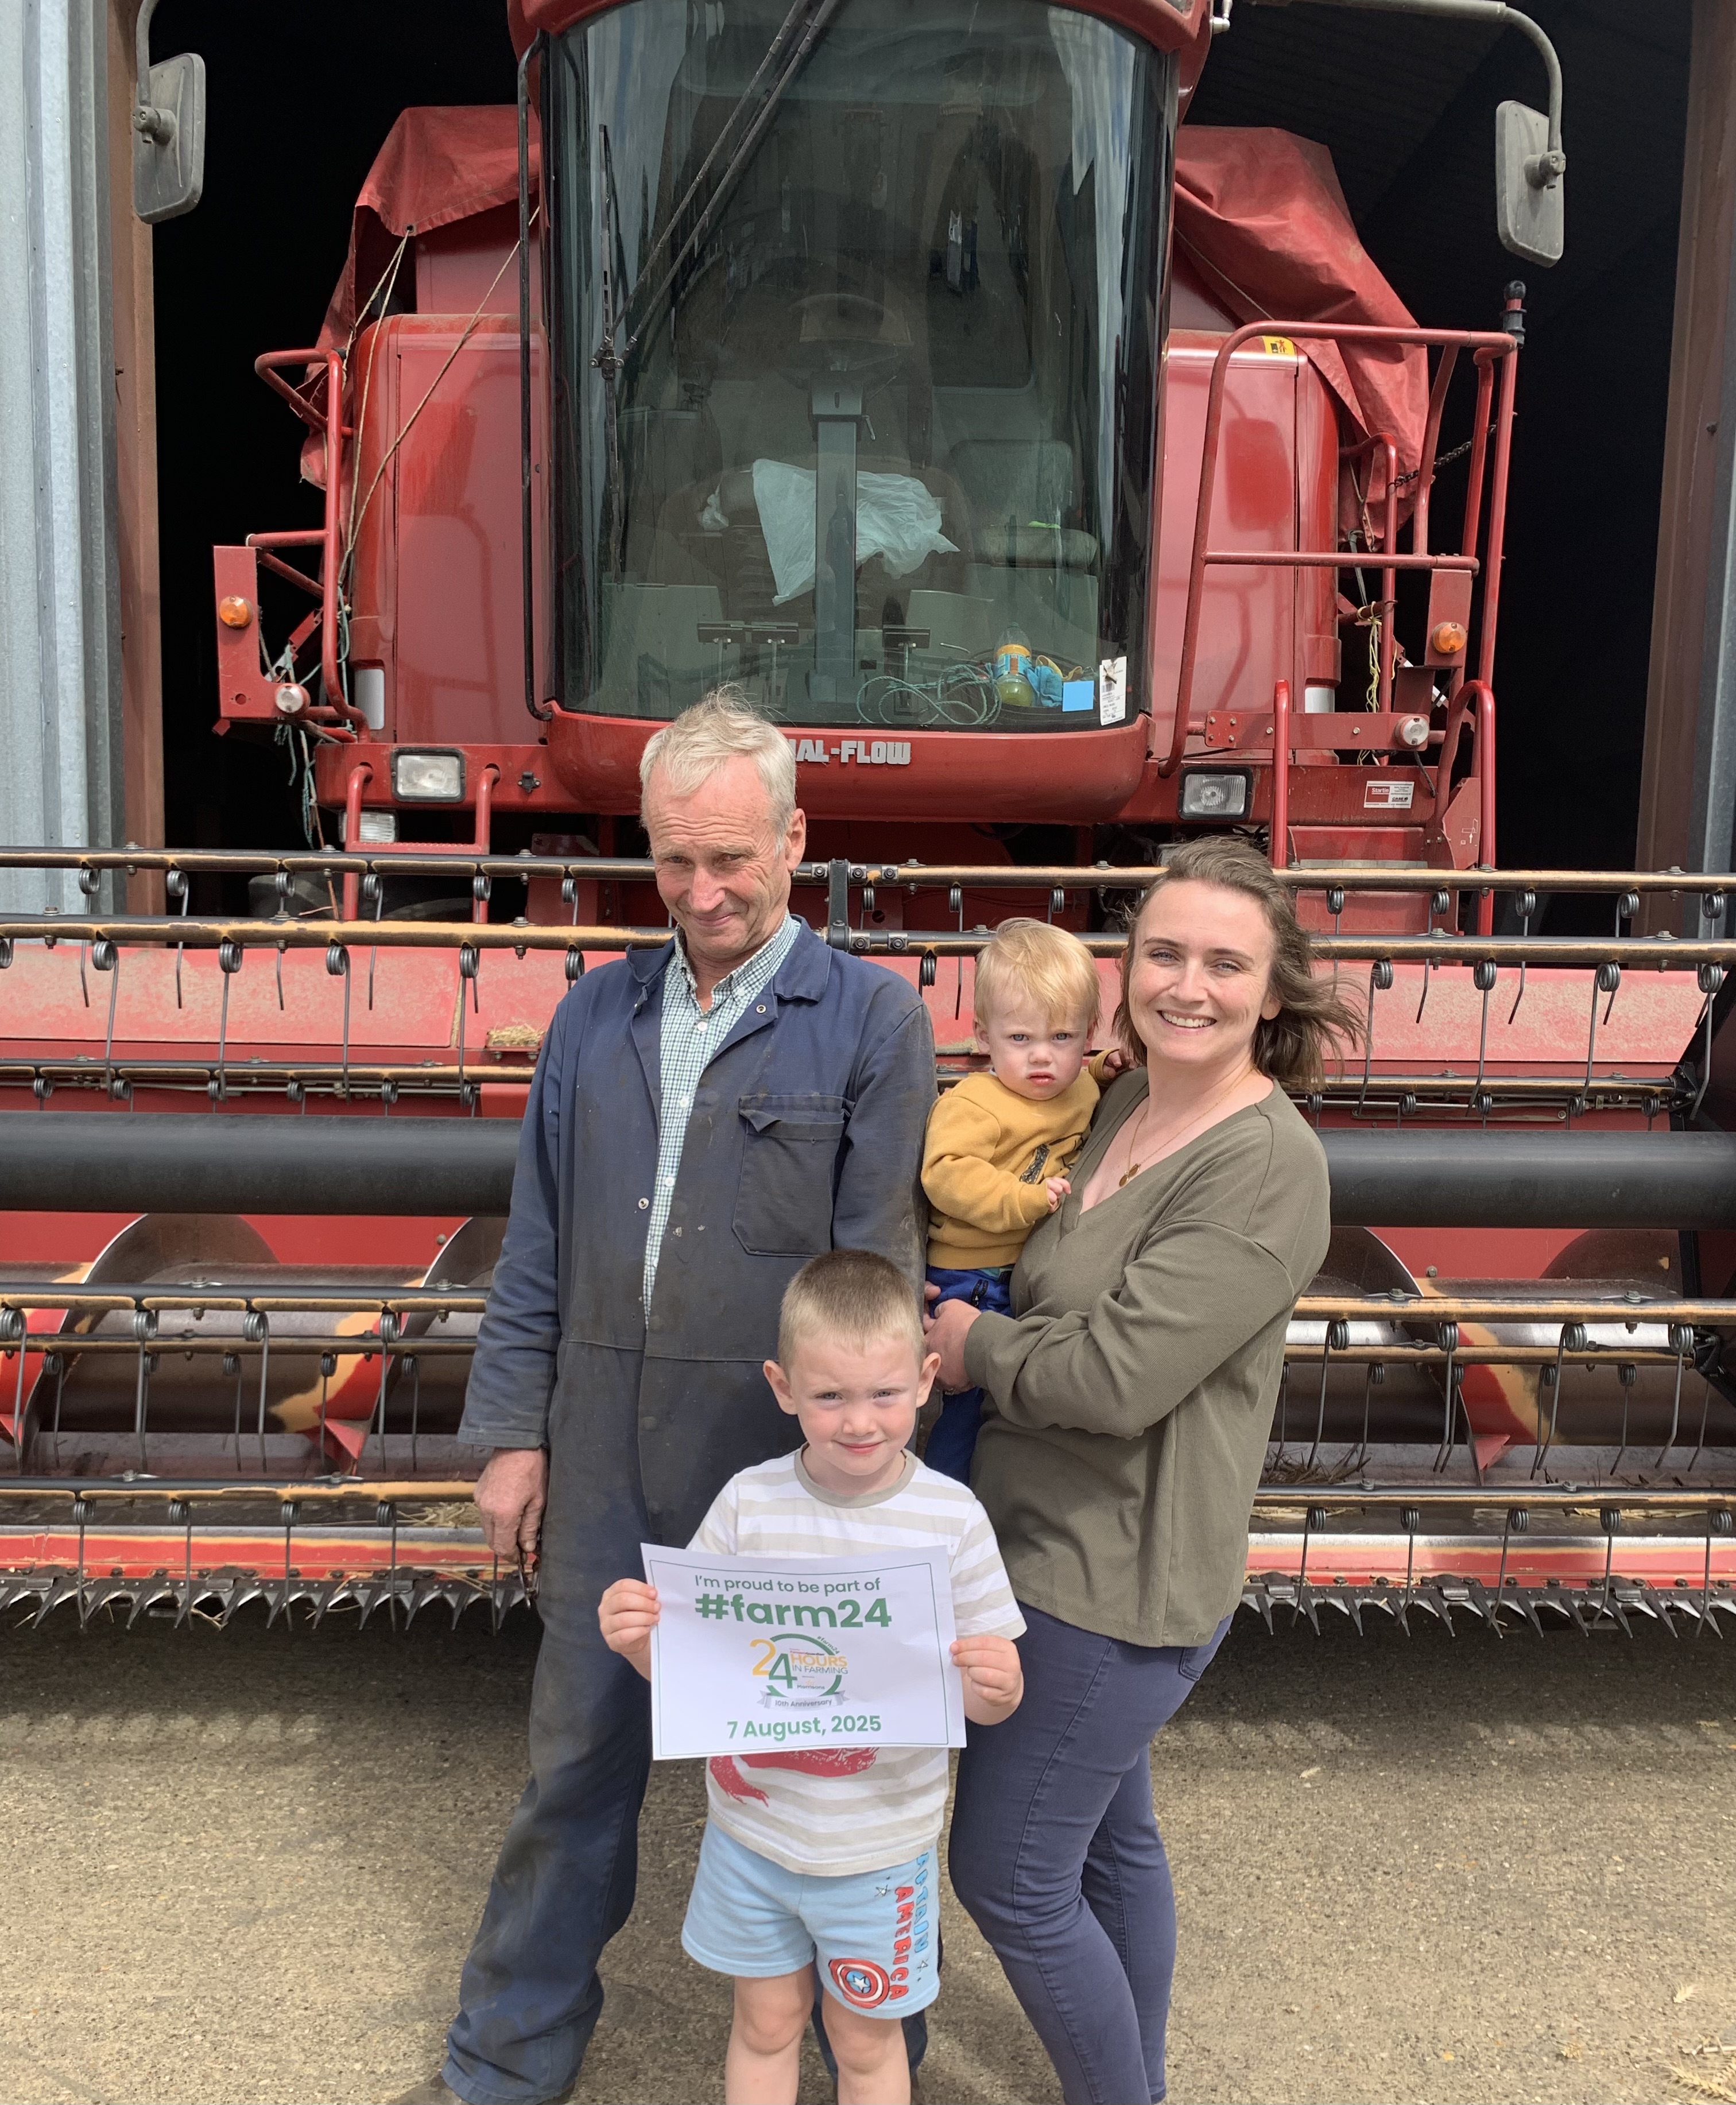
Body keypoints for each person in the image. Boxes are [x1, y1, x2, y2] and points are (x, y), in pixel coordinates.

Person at [400, 693, 936, 2105]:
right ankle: (503, 2062)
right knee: (575, 1766)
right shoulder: (595, 1012)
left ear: (795, 842)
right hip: (599, 1459)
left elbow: (878, 1275)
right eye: (676, 859)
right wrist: (512, 1435)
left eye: (732, 859)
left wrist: (871, 1489)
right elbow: (536, 1240)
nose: (703, 892)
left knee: (826, 1777)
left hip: (783, 1478)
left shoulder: (873, 1020)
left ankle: (877, 2055)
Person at [925, 834, 1356, 2105]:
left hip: (1113, 1577)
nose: (1188, 984)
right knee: (1110, 1848)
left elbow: (1117, 1377)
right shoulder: (1121, 1103)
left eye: (1226, 963)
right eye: (1162, 953)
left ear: (1272, 992)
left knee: (1008, 1875)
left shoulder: (1266, 1164)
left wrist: (972, 1347)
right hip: (1038, 1538)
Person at [598, 1250, 1025, 2105]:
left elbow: (989, 1700)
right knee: (764, 2025)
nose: (859, 1421)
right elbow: (694, 1668)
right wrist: (639, 1640)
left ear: (927, 1379)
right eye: (830, 1396)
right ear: (783, 1386)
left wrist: (999, 1684)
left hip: (880, 1850)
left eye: (885, 1392)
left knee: (865, 2043)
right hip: (753, 1838)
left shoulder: (953, 1517)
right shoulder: (748, 1503)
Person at [919, 919, 1114, 1482]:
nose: (1042, 1059)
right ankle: (948, 1494)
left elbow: (1086, 1075)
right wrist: (1023, 1199)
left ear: (1088, 1033)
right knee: (971, 1402)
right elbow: (946, 1174)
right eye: (1020, 1039)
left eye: (1062, 1038)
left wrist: (1103, 1066)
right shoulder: (975, 1103)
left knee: (1019, 1393)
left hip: (1025, 1268)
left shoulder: (1080, 1085)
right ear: (984, 1036)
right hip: (972, 1274)